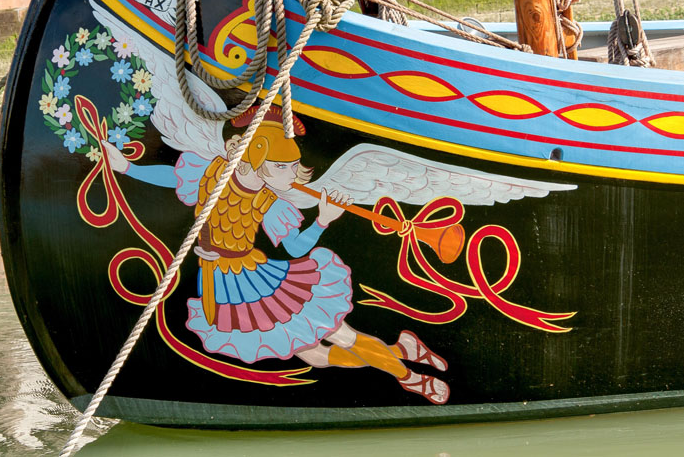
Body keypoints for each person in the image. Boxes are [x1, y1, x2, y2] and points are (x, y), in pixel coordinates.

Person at [102, 106, 450, 404]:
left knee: (343, 336)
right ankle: (403, 351)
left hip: (260, 281)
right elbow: (173, 177)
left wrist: (323, 221)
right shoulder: (213, 175)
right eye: (282, 166)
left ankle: (409, 377)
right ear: (255, 158)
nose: (293, 173)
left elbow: (296, 248)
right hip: (225, 284)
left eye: (292, 165)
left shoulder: (270, 202)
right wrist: (127, 168)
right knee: (317, 357)